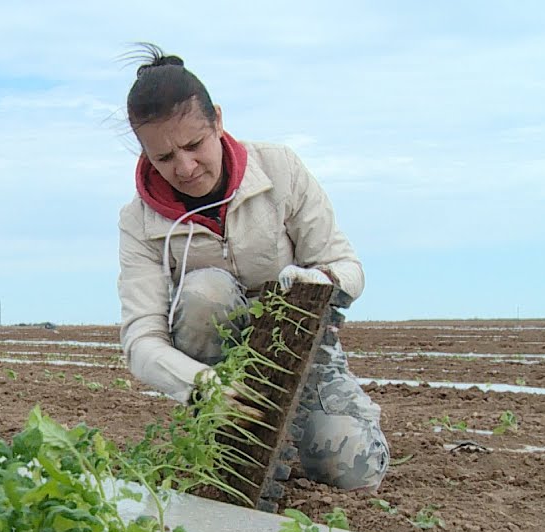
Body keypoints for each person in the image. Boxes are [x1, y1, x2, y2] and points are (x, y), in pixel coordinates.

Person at [116, 44, 388, 496]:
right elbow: (141, 341)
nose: (184, 167)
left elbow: (347, 266)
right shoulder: (139, 222)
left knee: (349, 466)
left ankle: (321, 422)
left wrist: (320, 281)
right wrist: (204, 386)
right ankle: (225, 431)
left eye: (194, 145)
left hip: (297, 348)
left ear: (217, 120)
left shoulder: (279, 170)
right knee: (206, 291)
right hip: (216, 372)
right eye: (164, 158)